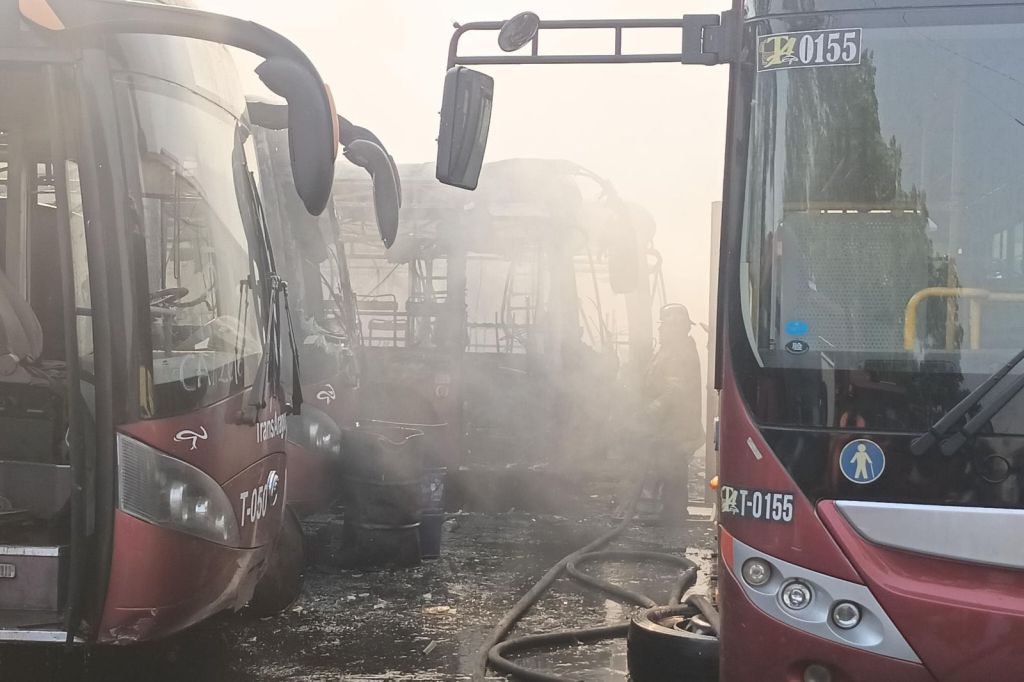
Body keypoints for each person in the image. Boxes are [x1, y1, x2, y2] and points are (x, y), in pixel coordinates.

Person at [641, 303, 705, 523]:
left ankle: (673, 522)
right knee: (666, 471)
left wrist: (653, 408)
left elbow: (675, 389)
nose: (659, 330)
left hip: (675, 428)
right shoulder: (669, 349)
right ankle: (668, 516)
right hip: (668, 426)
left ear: (676, 327)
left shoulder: (681, 352)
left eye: (664, 326)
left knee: (673, 473)